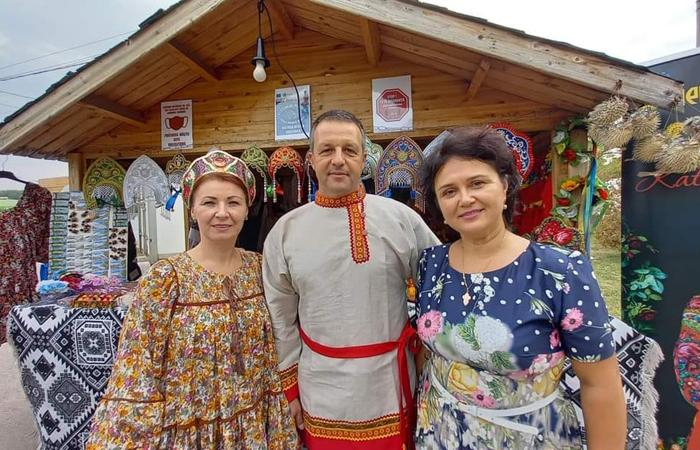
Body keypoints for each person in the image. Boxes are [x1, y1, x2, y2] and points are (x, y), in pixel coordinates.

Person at [414, 127, 626, 449]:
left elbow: (600, 385)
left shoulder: (560, 271)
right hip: (440, 433)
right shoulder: (431, 264)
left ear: (505, 186)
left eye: (477, 183)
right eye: (449, 191)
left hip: (529, 437)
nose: (465, 199)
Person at [87, 150, 299, 449]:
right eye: (209, 202)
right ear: (192, 210)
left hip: (252, 422)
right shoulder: (166, 279)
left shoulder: (259, 269)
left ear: (246, 209)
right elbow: (137, 366)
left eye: (233, 202)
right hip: (190, 426)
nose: (222, 213)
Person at [263, 110, 439, 449]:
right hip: (320, 390)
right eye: (327, 150)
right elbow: (280, 320)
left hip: (390, 386)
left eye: (349, 150)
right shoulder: (285, 232)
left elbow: (439, 290)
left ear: (364, 158)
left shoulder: (401, 219)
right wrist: (290, 389)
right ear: (311, 160)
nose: (338, 160)